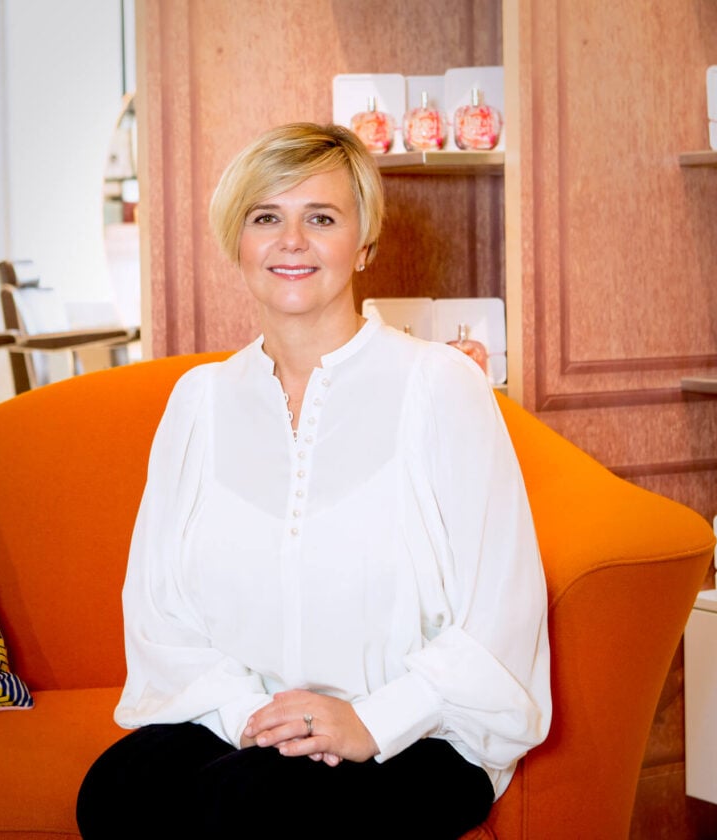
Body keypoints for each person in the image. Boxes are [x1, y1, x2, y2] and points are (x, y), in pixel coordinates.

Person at [76, 122, 551, 839]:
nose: (291, 241)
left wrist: (369, 721)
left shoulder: (438, 385)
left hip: (420, 733)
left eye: (321, 218)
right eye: (267, 217)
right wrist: (252, 716)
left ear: (364, 244)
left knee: (248, 806)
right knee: (115, 793)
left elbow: (499, 613)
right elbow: (158, 611)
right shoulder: (200, 401)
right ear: (237, 241)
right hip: (248, 723)